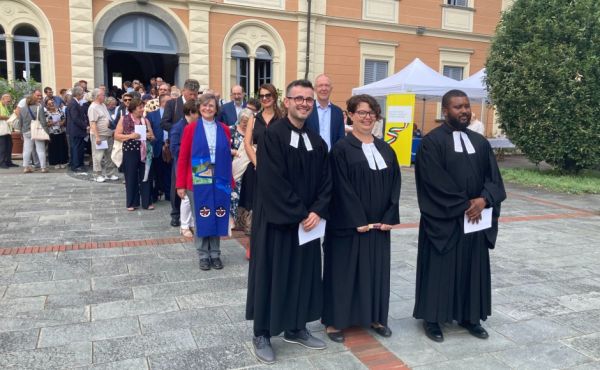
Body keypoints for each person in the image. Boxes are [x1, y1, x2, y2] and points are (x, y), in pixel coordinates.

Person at [246, 80, 332, 364]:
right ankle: (262, 333)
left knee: (303, 275)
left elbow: (325, 182)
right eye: (299, 98)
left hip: (307, 225)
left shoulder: (316, 141)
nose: (304, 103)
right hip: (277, 223)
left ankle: (296, 327)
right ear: (288, 102)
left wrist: (317, 211)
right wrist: (299, 213)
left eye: (309, 99)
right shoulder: (274, 136)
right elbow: (272, 181)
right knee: (272, 275)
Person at [413, 90, 506, 343]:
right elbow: (433, 182)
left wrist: (484, 199)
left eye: (466, 106)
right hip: (443, 221)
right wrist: (465, 205)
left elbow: (494, 179)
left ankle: (470, 316)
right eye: (457, 107)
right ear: (445, 111)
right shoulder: (432, 142)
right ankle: (432, 318)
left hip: (475, 221)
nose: (464, 111)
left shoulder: (480, 142)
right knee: (439, 271)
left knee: (471, 268)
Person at [322, 94, 400, 343]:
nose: (367, 117)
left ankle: (374, 317)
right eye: (362, 113)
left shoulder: (386, 149)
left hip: (379, 225)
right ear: (351, 116)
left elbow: (395, 185)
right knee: (344, 271)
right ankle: (335, 322)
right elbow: (340, 187)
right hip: (349, 224)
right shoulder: (341, 149)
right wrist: (358, 219)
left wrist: (390, 216)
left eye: (371, 113)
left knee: (375, 270)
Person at [176, 94, 232, 271]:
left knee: (218, 214)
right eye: (205, 105)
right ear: (199, 108)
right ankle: (203, 255)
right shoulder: (191, 129)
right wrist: (180, 184)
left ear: (216, 109)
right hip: (199, 173)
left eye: (212, 106)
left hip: (220, 175)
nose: (208, 108)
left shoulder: (224, 128)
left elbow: (227, 156)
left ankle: (215, 253)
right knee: (202, 216)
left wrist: (230, 179)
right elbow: (183, 157)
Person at [162, 79, 200, 227]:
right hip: (179, 150)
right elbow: (164, 122)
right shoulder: (173, 103)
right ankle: (176, 214)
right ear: (184, 91)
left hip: (196, 155)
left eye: (195, 94)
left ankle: (192, 216)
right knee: (178, 184)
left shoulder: (198, 104)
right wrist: (180, 130)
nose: (193, 97)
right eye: (191, 94)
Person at [114, 98, 156, 211]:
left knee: (146, 176)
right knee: (131, 176)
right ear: (133, 109)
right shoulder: (124, 119)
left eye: (143, 107)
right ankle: (132, 202)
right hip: (130, 151)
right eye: (140, 108)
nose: (142, 110)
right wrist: (130, 136)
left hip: (145, 151)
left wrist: (150, 136)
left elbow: (152, 135)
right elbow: (116, 135)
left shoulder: (145, 120)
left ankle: (147, 202)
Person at [170, 101, 199, 239]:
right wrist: (191, 149)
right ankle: (184, 225)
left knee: (195, 195)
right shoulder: (178, 127)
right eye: (198, 113)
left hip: (199, 164)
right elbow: (174, 149)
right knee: (186, 197)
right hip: (185, 165)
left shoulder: (197, 126)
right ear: (191, 113)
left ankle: (192, 222)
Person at [305, 74, 345, 151]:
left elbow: (341, 138)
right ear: (315, 89)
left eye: (327, 85)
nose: (324, 88)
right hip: (311, 157)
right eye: (320, 85)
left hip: (332, 158)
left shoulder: (338, 112)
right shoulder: (307, 109)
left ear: (331, 89)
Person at [230, 108, 253, 234]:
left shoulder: (253, 132)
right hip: (233, 166)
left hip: (247, 169)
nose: (245, 124)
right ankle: (232, 219)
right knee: (233, 193)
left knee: (243, 195)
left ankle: (241, 220)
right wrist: (232, 151)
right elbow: (223, 147)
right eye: (243, 121)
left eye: (247, 121)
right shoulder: (231, 130)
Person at [88, 88, 118, 182]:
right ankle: (97, 174)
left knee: (109, 154)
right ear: (98, 96)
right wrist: (97, 137)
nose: (104, 96)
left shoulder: (103, 105)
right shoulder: (93, 107)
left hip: (108, 134)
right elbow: (93, 124)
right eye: (103, 95)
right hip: (100, 135)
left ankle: (109, 173)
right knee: (98, 155)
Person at [147, 93, 172, 203]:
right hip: (157, 146)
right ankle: (155, 194)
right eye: (169, 101)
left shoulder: (174, 114)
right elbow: (148, 130)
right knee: (156, 172)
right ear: (163, 102)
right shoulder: (152, 115)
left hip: (170, 146)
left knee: (169, 172)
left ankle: (168, 194)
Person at [19, 89, 49, 173]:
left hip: (26, 131)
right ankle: (43, 167)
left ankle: (26, 167)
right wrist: (46, 132)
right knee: (41, 150)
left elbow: (20, 122)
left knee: (27, 150)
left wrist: (21, 132)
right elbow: (43, 121)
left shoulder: (22, 109)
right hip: (37, 130)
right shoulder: (39, 108)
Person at [66, 86, 88, 172]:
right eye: (82, 93)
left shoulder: (75, 102)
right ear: (78, 94)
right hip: (75, 130)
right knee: (76, 148)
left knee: (77, 148)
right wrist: (85, 126)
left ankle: (77, 164)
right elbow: (75, 118)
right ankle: (76, 165)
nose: (83, 94)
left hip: (77, 130)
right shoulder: (73, 103)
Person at [44, 97, 68, 169]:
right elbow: (45, 123)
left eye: (52, 103)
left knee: (62, 147)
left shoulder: (60, 110)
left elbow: (64, 118)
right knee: (54, 148)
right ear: (47, 105)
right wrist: (51, 123)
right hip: (52, 132)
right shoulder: (46, 113)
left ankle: (62, 162)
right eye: (49, 104)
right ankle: (55, 163)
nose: (52, 104)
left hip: (61, 131)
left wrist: (62, 122)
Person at [0, 94, 17, 169]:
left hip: (6, 130)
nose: (9, 102)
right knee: (2, 148)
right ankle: (2, 162)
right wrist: (9, 117)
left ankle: (8, 162)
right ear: (3, 99)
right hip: (1, 130)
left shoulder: (5, 106)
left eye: (9, 101)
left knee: (9, 146)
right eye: (8, 101)